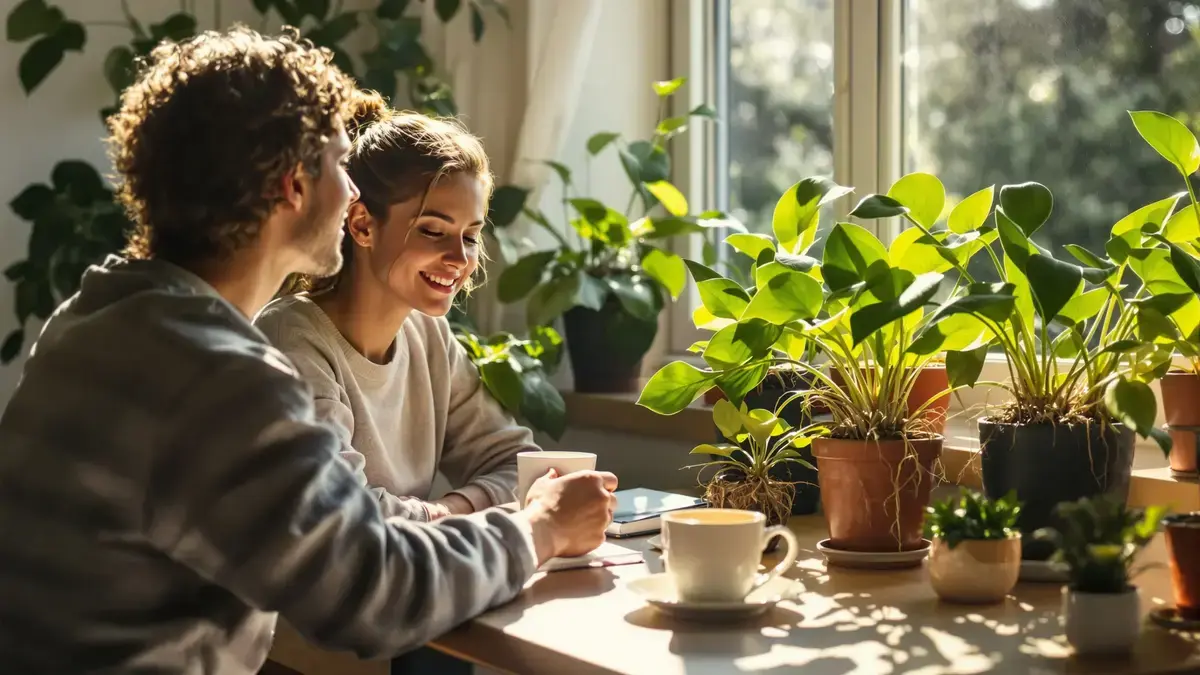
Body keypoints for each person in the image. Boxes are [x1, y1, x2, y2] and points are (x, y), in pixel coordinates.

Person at [0, 25, 616, 675]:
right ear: (295, 185)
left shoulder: (92, 319)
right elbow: (375, 590)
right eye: (343, 165)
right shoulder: (217, 375)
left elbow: (339, 517)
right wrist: (538, 527)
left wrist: (434, 519)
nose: (354, 192)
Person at [254, 94, 529, 525]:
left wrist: (444, 512)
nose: (459, 258)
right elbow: (347, 515)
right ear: (362, 224)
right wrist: (454, 512)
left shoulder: (428, 336)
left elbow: (521, 466)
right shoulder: (291, 342)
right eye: (433, 231)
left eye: (471, 236)